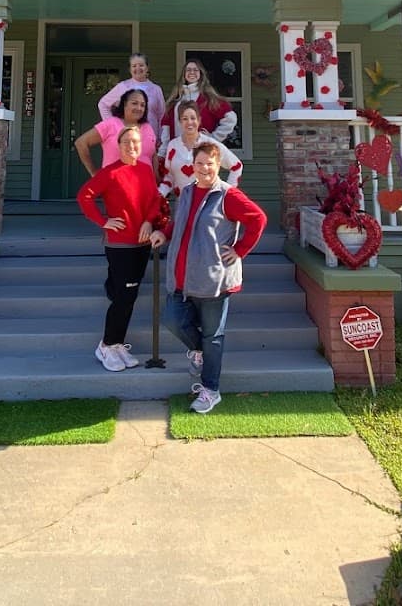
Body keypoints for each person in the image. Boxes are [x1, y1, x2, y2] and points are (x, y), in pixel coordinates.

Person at [151, 141, 267, 413]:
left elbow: (258, 219)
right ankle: (199, 352)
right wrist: (163, 234)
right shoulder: (187, 192)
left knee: (213, 336)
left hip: (214, 279)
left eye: (210, 164)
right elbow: (177, 222)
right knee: (172, 320)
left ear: (218, 166)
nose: (204, 168)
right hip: (182, 277)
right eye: (200, 163)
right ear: (193, 165)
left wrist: (239, 250)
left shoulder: (228, 195)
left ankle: (210, 390)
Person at [76, 125, 167, 371]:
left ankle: (118, 344)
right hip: (120, 245)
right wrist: (103, 221)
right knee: (123, 297)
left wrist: (149, 221)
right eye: (127, 142)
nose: (132, 146)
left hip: (142, 242)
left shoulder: (146, 170)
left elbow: (154, 200)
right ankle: (106, 345)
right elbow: (84, 196)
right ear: (119, 145)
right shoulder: (110, 172)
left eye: (136, 142)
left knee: (130, 296)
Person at [159, 102, 243, 197]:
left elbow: (236, 166)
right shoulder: (173, 146)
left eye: (193, 118)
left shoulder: (210, 144)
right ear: (180, 122)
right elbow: (169, 177)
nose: (189, 122)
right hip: (183, 205)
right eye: (185, 118)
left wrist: (226, 195)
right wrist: (160, 195)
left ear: (199, 120)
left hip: (207, 205)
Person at [75, 88, 158, 174]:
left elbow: (153, 154)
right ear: (125, 104)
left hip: (145, 184)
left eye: (142, 105)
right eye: (134, 103)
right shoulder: (111, 124)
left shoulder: (148, 127)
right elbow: (81, 143)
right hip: (115, 184)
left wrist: (157, 178)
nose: (139, 108)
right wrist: (94, 173)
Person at [160, 59, 237, 146]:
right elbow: (166, 127)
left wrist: (213, 138)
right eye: (188, 70)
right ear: (184, 74)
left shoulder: (208, 97)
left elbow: (230, 118)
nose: (192, 72)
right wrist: (163, 151)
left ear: (201, 74)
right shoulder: (176, 99)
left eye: (195, 70)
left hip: (201, 151)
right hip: (178, 151)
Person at [97, 53, 167, 133]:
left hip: (152, 137)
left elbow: (162, 115)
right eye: (134, 66)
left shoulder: (156, 89)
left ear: (147, 68)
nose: (138, 68)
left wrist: (161, 137)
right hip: (128, 138)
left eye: (141, 65)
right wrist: (113, 126)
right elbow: (103, 104)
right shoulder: (123, 86)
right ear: (130, 69)